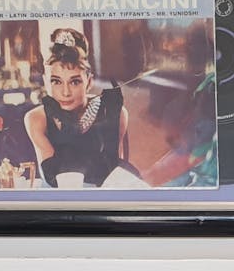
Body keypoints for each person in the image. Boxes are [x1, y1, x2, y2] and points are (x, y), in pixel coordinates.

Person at [25, 28, 146, 189]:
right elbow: (53, 178)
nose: (65, 92)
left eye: (75, 82)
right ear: (46, 82)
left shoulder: (112, 112)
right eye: (56, 81)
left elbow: (115, 174)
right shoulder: (36, 119)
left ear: (88, 82)